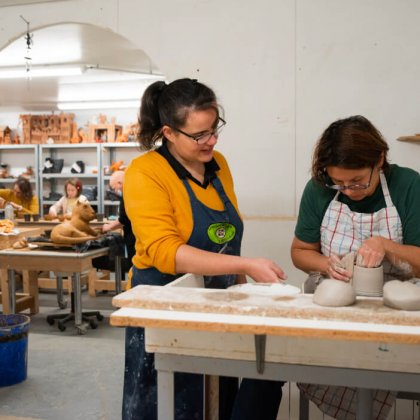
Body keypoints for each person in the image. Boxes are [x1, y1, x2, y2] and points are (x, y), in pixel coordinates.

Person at [123, 78, 286, 420]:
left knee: (217, 400)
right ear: (168, 132)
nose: (210, 140)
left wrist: (244, 288)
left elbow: (228, 240)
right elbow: (165, 251)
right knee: (172, 404)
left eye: (214, 129)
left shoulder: (218, 165)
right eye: (199, 135)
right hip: (166, 309)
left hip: (216, 307)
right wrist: (247, 264)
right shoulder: (145, 172)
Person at [291, 115, 420, 419]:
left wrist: (387, 246)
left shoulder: (408, 185)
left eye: (358, 181)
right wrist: (325, 264)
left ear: (380, 160)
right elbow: (299, 252)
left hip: (394, 320)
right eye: (340, 183)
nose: (349, 190)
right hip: (337, 318)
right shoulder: (320, 188)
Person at [101, 170, 135, 268]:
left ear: (120, 183)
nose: (115, 191)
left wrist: (108, 227)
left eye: (114, 188)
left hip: (134, 238)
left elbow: (124, 219)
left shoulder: (128, 193)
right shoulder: (132, 189)